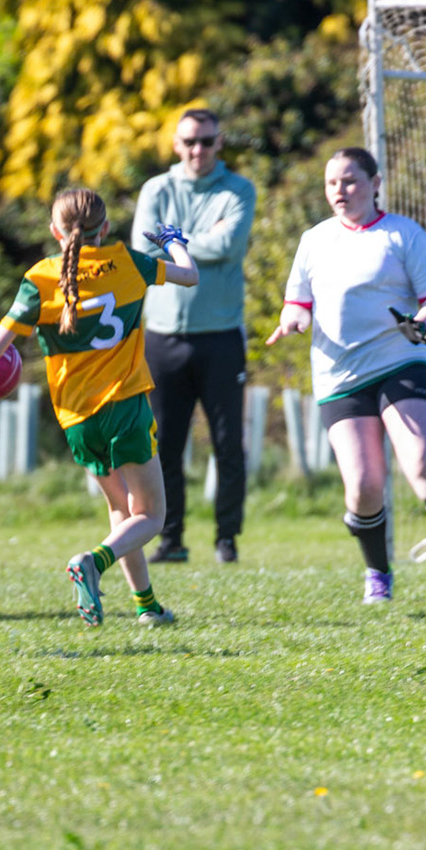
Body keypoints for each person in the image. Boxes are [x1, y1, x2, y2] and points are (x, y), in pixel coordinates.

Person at [268, 147, 426, 606]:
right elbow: (297, 303)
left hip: (399, 363)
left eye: (350, 180)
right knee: (365, 487)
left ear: (375, 183)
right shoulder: (314, 240)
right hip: (338, 376)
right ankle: (378, 573)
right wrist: (293, 320)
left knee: (423, 463)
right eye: (332, 183)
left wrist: (420, 325)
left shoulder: (403, 234)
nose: (340, 190)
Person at [0, 189, 200, 627]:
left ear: (55, 232)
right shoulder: (129, 263)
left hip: (76, 419)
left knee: (121, 511)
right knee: (151, 515)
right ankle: (93, 561)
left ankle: (147, 606)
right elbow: (190, 276)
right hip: (124, 406)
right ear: (105, 228)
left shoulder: (40, 279)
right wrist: (173, 241)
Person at [131, 107, 256, 564]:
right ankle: (170, 538)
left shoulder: (238, 189)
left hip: (220, 336)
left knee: (227, 444)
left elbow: (229, 245)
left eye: (206, 141)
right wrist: (196, 240)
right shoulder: (156, 189)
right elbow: (141, 250)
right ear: (176, 145)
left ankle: (227, 538)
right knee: (162, 444)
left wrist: (172, 241)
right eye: (189, 141)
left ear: (219, 142)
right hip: (163, 337)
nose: (197, 150)